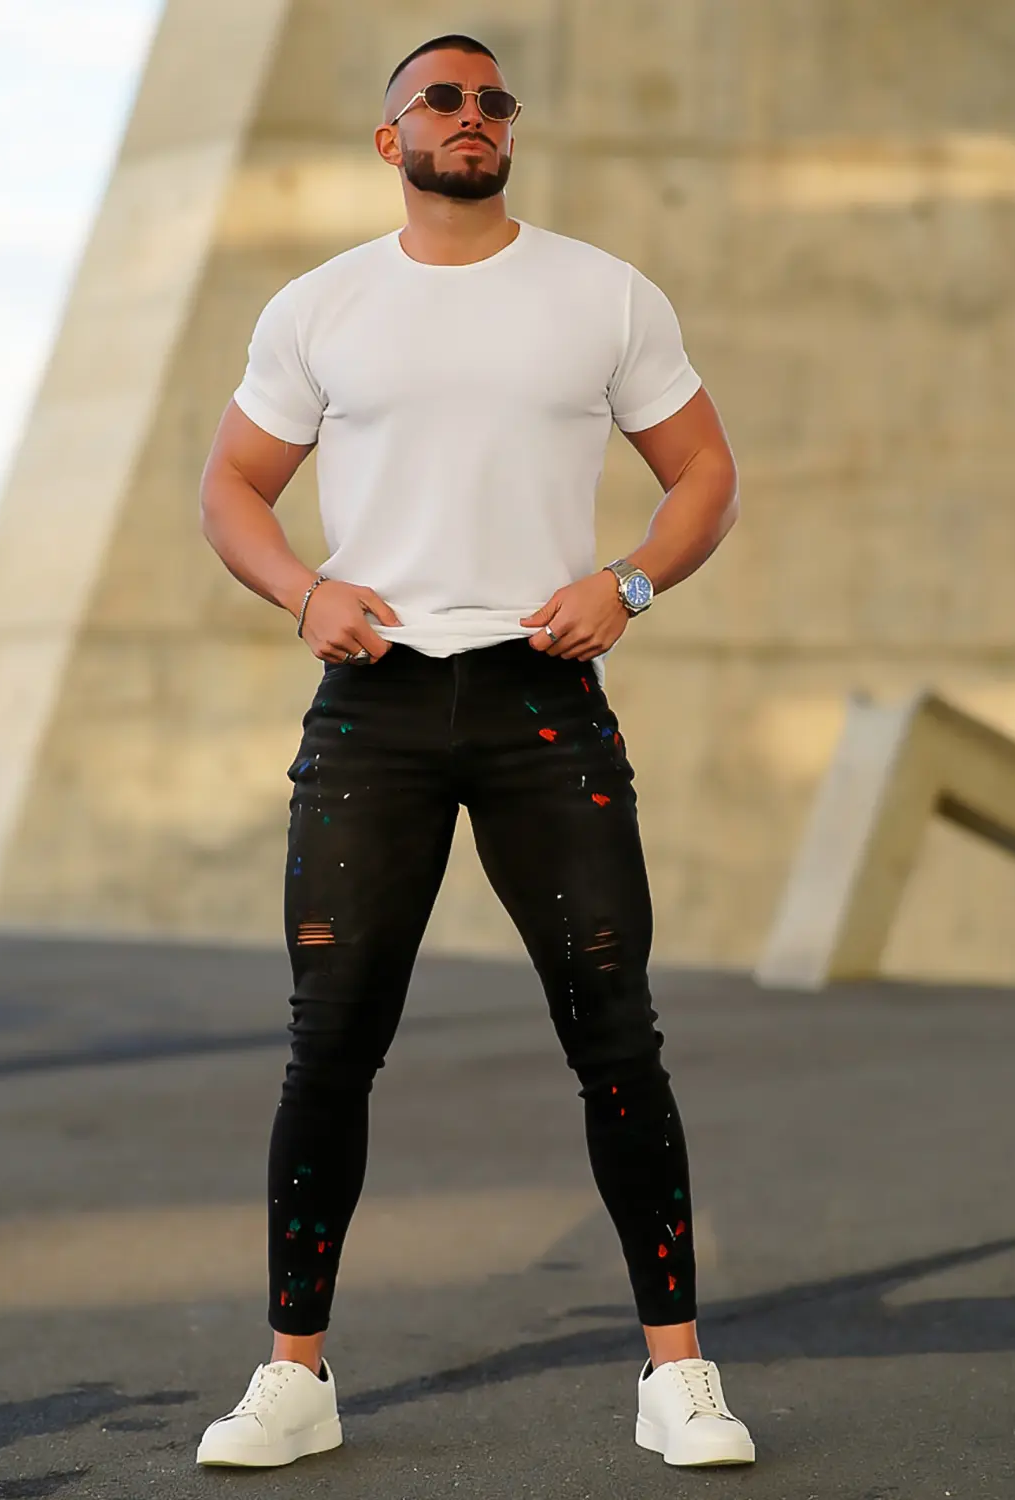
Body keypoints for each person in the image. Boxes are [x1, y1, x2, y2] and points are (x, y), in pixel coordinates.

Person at [193, 32, 750, 1472]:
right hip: (373, 705)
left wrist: (628, 585)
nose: (471, 115)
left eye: (493, 100)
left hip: (541, 699)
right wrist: (303, 593)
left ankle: (677, 1376)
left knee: (614, 1035)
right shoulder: (322, 306)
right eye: (439, 99)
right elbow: (235, 485)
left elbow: (704, 471)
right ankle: (294, 1379)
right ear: (391, 140)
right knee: (331, 1046)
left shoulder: (600, 294)